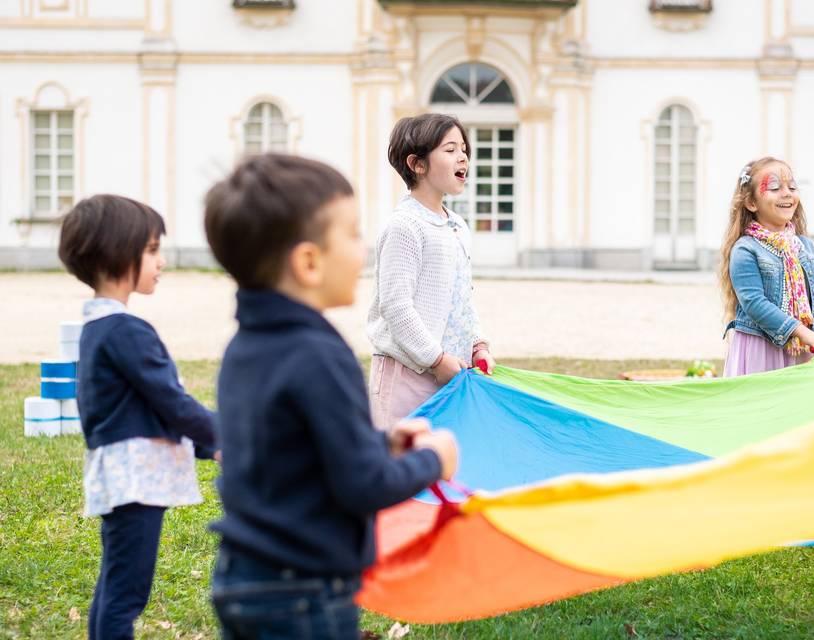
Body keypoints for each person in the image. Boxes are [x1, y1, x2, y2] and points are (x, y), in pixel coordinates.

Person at [204, 153, 458, 638]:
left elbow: (293, 452)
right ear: (308, 262)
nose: (364, 251)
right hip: (304, 588)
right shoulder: (320, 353)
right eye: (352, 235)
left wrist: (384, 443)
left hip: (243, 574)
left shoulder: (246, 346)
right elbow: (362, 486)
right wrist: (433, 461)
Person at [58, 194, 218, 640]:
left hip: (121, 476)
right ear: (116, 253)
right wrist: (220, 437)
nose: (161, 261)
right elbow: (170, 399)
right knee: (127, 593)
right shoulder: (126, 330)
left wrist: (206, 444)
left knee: (115, 585)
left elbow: (147, 405)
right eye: (151, 250)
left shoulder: (98, 329)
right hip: (135, 481)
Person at [367, 113, 494, 429]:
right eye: (450, 149)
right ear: (417, 164)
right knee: (401, 464)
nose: (463, 156)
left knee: (441, 465)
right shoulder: (405, 226)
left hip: (450, 373)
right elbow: (396, 306)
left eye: (464, 149)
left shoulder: (457, 226)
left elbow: (462, 298)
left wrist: (478, 344)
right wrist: (434, 360)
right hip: (406, 377)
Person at [718, 156, 814, 377]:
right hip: (761, 349)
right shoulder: (745, 249)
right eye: (775, 187)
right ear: (751, 203)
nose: (787, 193)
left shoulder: (805, 247)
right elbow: (754, 303)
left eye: (792, 186)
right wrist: (803, 332)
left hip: (801, 348)